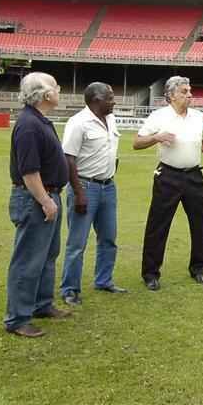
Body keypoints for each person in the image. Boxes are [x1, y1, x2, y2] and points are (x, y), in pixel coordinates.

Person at [134, 76, 203, 290]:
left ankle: (198, 269)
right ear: (171, 95)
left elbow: (202, 142)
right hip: (168, 176)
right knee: (158, 225)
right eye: (184, 91)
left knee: (199, 224)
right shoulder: (158, 116)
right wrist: (156, 137)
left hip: (194, 176)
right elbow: (137, 142)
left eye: (190, 91)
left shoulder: (198, 116)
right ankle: (150, 273)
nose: (190, 95)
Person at [4, 72, 72, 338]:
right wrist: (44, 200)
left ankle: (41, 304)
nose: (59, 90)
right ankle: (18, 318)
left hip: (48, 195)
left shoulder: (39, 121)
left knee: (47, 255)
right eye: (56, 87)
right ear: (45, 94)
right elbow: (29, 171)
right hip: (36, 199)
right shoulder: (29, 125)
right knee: (28, 259)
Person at [59, 82, 127, 305]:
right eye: (110, 98)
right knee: (77, 243)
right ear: (96, 100)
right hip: (85, 186)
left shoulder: (111, 118)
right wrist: (79, 192)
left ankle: (104, 280)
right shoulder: (78, 123)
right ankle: (70, 289)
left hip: (108, 186)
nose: (114, 101)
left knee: (108, 238)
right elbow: (68, 158)